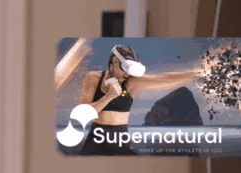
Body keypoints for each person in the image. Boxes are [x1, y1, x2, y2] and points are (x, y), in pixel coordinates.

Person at [76, 44, 204, 155]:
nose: (127, 74)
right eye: (125, 69)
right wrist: (108, 97)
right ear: (115, 61)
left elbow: (162, 78)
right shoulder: (93, 78)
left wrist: (196, 73)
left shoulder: (131, 82)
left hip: (120, 142)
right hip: (95, 141)